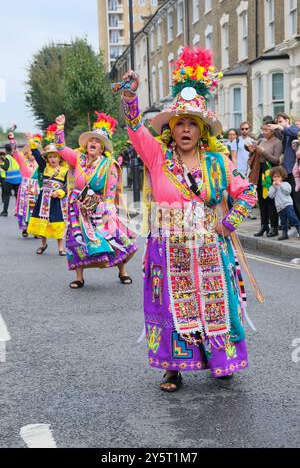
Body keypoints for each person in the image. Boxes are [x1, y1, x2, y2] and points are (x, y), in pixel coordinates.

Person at [120, 47, 258, 391]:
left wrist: (226, 224)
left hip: (210, 247)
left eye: (191, 124)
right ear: (171, 129)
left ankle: (222, 361)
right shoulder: (157, 157)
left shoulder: (218, 162)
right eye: (178, 123)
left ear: (200, 131)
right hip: (169, 246)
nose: (184, 129)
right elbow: (136, 128)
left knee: (216, 303)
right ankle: (172, 367)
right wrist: (130, 95)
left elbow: (248, 193)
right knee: (170, 306)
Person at [54, 112, 137, 289]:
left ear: (102, 148)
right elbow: (60, 147)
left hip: (99, 207)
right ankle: (79, 276)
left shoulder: (109, 165)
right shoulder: (78, 158)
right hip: (78, 207)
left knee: (112, 236)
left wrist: (108, 212)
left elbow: (110, 191)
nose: (93, 143)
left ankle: (122, 271)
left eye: (97, 141)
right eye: (91, 140)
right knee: (77, 241)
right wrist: (60, 127)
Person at [27, 133, 68, 256]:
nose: (52, 159)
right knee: (42, 220)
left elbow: (68, 186)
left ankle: (61, 247)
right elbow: (37, 155)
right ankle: (43, 244)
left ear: (60, 158)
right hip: (44, 199)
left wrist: (60, 192)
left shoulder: (65, 170)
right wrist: (31, 141)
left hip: (57, 200)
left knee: (57, 221)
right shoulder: (44, 167)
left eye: (55, 156)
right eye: (50, 156)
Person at [248, 122, 282, 237]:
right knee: (262, 201)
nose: (264, 132)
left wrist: (263, 152)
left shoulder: (277, 142)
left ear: (272, 130)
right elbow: (255, 156)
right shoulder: (261, 140)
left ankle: (274, 227)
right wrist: (253, 150)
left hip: (270, 173)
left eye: (266, 130)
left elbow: (276, 160)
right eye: (263, 130)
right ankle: (264, 226)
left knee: (270, 201)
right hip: (259, 172)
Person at [268, 114, 300, 218]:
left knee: (296, 199)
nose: (278, 124)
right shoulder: (284, 135)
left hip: (294, 171)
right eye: (277, 122)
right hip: (287, 171)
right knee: (291, 199)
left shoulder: (293, 128)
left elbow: (295, 132)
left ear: (287, 121)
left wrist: (279, 127)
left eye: (281, 121)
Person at [8, 133, 40, 237]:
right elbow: (15, 151)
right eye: (30, 151)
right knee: (25, 208)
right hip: (25, 188)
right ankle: (25, 228)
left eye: (33, 151)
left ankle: (35, 230)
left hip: (36, 188)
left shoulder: (40, 163)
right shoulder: (23, 162)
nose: (32, 153)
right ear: (26, 153)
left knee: (36, 209)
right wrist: (12, 140)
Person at [268, 166, 300, 240]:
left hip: (288, 204)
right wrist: (274, 188)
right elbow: (271, 196)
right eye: (274, 177)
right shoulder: (272, 187)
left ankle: (298, 229)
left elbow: (287, 192)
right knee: (283, 221)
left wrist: (280, 185)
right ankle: (285, 234)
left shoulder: (285, 184)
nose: (276, 178)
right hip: (279, 206)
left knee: (292, 217)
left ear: (282, 177)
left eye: (278, 177)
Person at [0, 144, 22, 217]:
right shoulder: (14, 157)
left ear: (5, 150)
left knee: (7, 196)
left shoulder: (7, 157)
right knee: (17, 196)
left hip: (9, 179)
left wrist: (0, 165)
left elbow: (6, 167)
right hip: (18, 179)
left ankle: (5, 212)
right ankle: (18, 212)